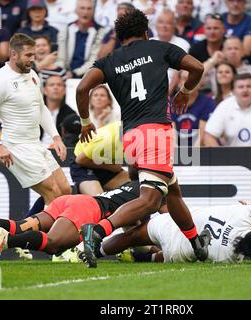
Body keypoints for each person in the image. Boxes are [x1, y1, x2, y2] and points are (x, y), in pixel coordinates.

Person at [76, 9, 210, 268]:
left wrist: (85, 122)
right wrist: (185, 90)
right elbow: (198, 67)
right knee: (149, 200)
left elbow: (82, 88)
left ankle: (195, 242)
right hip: (155, 132)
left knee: (172, 190)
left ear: (120, 37)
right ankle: (98, 231)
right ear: (146, 33)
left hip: (131, 136)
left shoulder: (109, 61)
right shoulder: (159, 48)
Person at [0, 33, 72, 210]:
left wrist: (56, 137)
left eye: (33, 55)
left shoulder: (32, 74)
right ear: (13, 54)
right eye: (28, 55)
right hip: (17, 147)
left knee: (65, 190)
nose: (32, 60)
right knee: (54, 195)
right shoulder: (1, 80)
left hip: (35, 144)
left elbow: (41, 108)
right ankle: (51, 238)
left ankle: (23, 232)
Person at [0, 180, 141, 265]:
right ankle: (9, 240)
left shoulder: (133, 185)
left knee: (20, 225)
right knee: (54, 244)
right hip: (88, 209)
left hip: (71, 200)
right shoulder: (152, 194)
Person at [100, 200, 251, 263]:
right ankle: (148, 257)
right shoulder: (230, 259)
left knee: (130, 237)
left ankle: (96, 249)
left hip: (174, 225)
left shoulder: (245, 215)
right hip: (178, 252)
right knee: (187, 254)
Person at [203, 73, 251, 146]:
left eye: (249, 86)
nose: (245, 90)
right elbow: (208, 135)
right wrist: (221, 159)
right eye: (240, 87)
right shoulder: (224, 106)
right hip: (231, 158)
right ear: (233, 91)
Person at [170, 71, 216, 147]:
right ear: (179, 83)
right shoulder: (171, 103)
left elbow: (202, 136)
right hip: (177, 148)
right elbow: (172, 134)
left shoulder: (208, 102)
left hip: (200, 149)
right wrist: (177, 155)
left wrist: (193, 157)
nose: (189, 83)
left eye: (193, 79)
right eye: (185, 79)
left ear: (199, 82)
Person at [151, 9, 190, 94]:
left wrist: (168, 93)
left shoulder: (183, 44)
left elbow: (179, 71)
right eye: (161, 22)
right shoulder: (148, 43)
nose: (164, 26)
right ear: (156, 26)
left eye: (168, 23)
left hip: (174, 90)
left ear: (174, 26)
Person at [65, 0, 106, 79]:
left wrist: (74, 73)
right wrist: (64, 72)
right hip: (66, 73)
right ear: (76, 10)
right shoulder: (68, 28)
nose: (85, 12)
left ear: (93, 11)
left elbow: (94, 60)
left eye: (89, 8)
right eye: (82, 8)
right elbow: (61, 57)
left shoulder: (100, 31)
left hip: (88, 75)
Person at [41, 75, 76, 147]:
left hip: (60, 152)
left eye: (59, 85)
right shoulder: (35, 110)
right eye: (51, 85)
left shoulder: (70, 114)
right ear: (44, 90)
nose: (55, 87)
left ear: (64, 90)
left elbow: (71, 140)